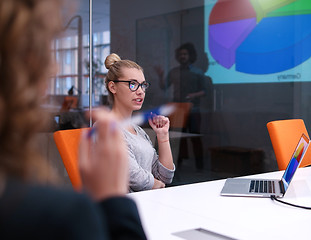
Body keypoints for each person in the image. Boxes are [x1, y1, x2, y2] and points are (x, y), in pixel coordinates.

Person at [0, 0, 146, 239]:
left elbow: (163, 173)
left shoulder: (138, 132)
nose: (55, 68)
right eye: (47, 49)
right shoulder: (62, 217)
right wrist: (114, 200)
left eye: (142, 85)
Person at [104, 53, 175, 192]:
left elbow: (165, 176)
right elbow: (133, 177)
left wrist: (163, 137)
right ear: (113, 87)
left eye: (143, 85)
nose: (141, 91)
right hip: (126, 208)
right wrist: (157, 184)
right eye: (133, 84)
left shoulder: (138, 131)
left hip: (149, 203)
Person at [155, 42, 206, 169]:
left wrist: (193, 95)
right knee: (179, 137)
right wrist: (160, 76)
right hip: (177, 110)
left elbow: (205, 91)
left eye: (185, 54)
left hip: (193, 109)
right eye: (180, 54)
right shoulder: (173, 72)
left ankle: (200, 165)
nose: (183, 56)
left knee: (195, 136)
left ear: (190, 55)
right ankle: (179, 164)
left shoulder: (198, 72)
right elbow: (164, 87)